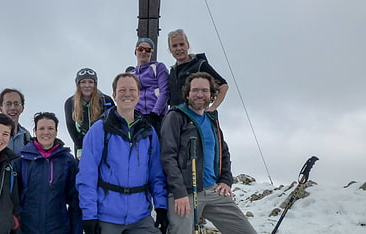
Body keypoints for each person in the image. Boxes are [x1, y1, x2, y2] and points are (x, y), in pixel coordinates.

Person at [160, 72, 256, 233]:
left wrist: (226, 180)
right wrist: (179, 192)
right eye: (195, 90)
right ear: (187, 93)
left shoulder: (212, 121)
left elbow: (223, 152)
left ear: (211, 95)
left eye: (204, 91)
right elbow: (167, 157)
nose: (200, 94)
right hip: (185, 194)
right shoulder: (176, 117)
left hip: (213, 190)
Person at [77, 73, 168, 234]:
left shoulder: (148, 131)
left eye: (132, 89)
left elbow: (156, 174)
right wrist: (89, 216)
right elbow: (87, 176)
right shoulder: (99, 130)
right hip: (107, 217)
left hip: (140, 217)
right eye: (122, 90)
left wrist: (161, 207)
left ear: (139, 94)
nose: (127, 94)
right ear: (114, 95)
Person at [16, 112, 82, 234]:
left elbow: (74, 199)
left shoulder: (67, 160)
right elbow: (13, 197)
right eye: (41, 128)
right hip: (27, 227)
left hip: (58, 227)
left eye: (50, 128)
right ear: (35, 131)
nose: (46, 132)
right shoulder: (22, 159)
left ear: (56, 131)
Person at [167, 29, 229, 112]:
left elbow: (223, 86)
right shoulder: (172, 72)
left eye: (182, 44)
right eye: (174, 46)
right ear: (170, 49)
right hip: (175, 118)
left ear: (187, 45)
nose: (179, 48)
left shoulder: (199, 65)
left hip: (196, 117)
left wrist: (213, 108)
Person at [64, 68, 115, 159]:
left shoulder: (106, 100)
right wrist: (79, 147)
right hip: (81, 144)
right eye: (83, 82)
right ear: (78, 84)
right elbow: (71, 127)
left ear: (95, 84)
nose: (87, 85)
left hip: (103, 144)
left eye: (90, 82)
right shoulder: (70, 103)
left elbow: (113, 124)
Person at [130, 37, 170, 134]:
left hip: (157, 116)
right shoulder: (131, 74)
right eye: (140, 49)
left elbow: (164, 91)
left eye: (148, 50)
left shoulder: (158, 67)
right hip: (137, 117)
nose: (144, 52)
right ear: (135, 51)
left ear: (151, 53)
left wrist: (155, 113)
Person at [0, 88, 33, 152]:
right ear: (0, 108)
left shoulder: (26, 136)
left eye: (16, 104)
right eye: (8, 104)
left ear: (22, 108)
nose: (13, 108)